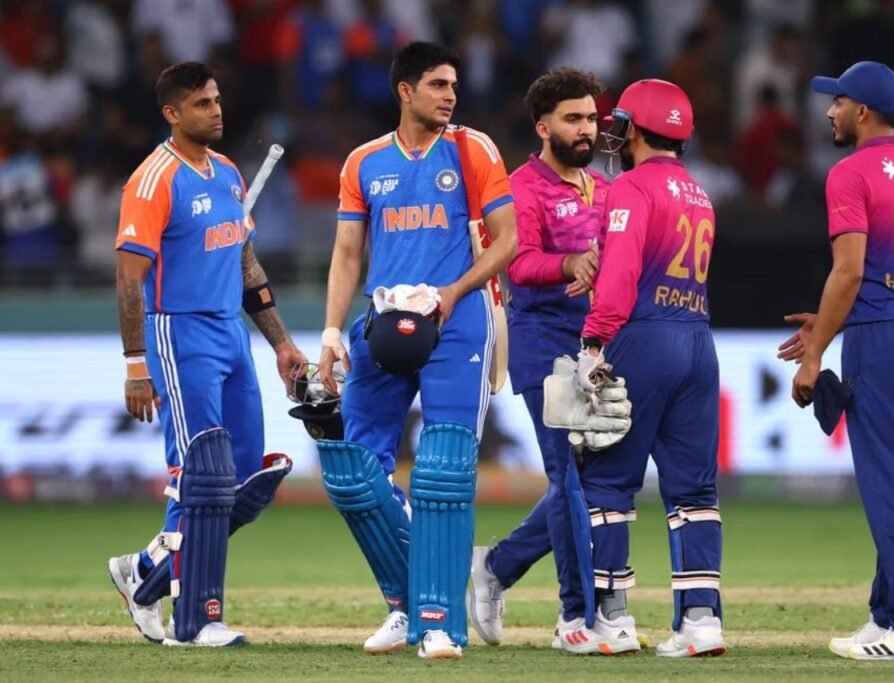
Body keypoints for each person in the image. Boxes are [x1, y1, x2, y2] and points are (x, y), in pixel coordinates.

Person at [315, 41, 516, 660]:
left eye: (453, 84)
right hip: (382, 323)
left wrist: (453, 292)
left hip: (457, 322)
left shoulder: (472, 148)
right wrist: (331, 332)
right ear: (405, 91)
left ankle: (439, 623)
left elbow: (507, 240)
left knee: (443, 472)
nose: (450, 95)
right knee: (352, 472)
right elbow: (348, 252)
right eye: (437, 84)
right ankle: (407, 601)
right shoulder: (364, 161)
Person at [107, 61, 306, 647]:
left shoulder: (228, 173)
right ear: (172, 113)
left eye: (217, 99)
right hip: (180, 334)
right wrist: (136, 365)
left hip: (231, 336)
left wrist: (281, 342)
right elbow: (128, 278)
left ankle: (147, 572)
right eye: (201, 103)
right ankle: (196, 619)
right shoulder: (153, 180)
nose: (216, 110)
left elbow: (246, 266)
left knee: (245, 479)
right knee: (201, 476)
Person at [779, 61, 894, 661]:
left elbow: (850, 272)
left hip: (883, 334)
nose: (830, 111)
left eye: (839, 101)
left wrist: (815, 353)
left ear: (863, 111)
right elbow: (880, 274)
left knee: (887, 481)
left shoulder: (849, 172)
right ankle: (888, 614)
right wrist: (828, 322)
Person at [568, 78, 727, 657]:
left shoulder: (630, 188)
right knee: (695, 489)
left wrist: (593, 341)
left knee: (607, 481)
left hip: (643, 337)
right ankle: (701, 622)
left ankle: (613, 619)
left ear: (634, 128)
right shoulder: (700, 193)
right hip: (698, 340)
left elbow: (619, 275)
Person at [465, 67, 609, 649]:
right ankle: (577, 616)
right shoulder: (522, 186)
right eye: (573, 119)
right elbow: (518, 263)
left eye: (591, 118)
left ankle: (497, 566)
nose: (586, 128)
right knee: (568, 478)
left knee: (590, 483)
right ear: (543, 126)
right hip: (544, 343)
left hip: (597, 346)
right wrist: (570, 264)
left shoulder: (603, 188)